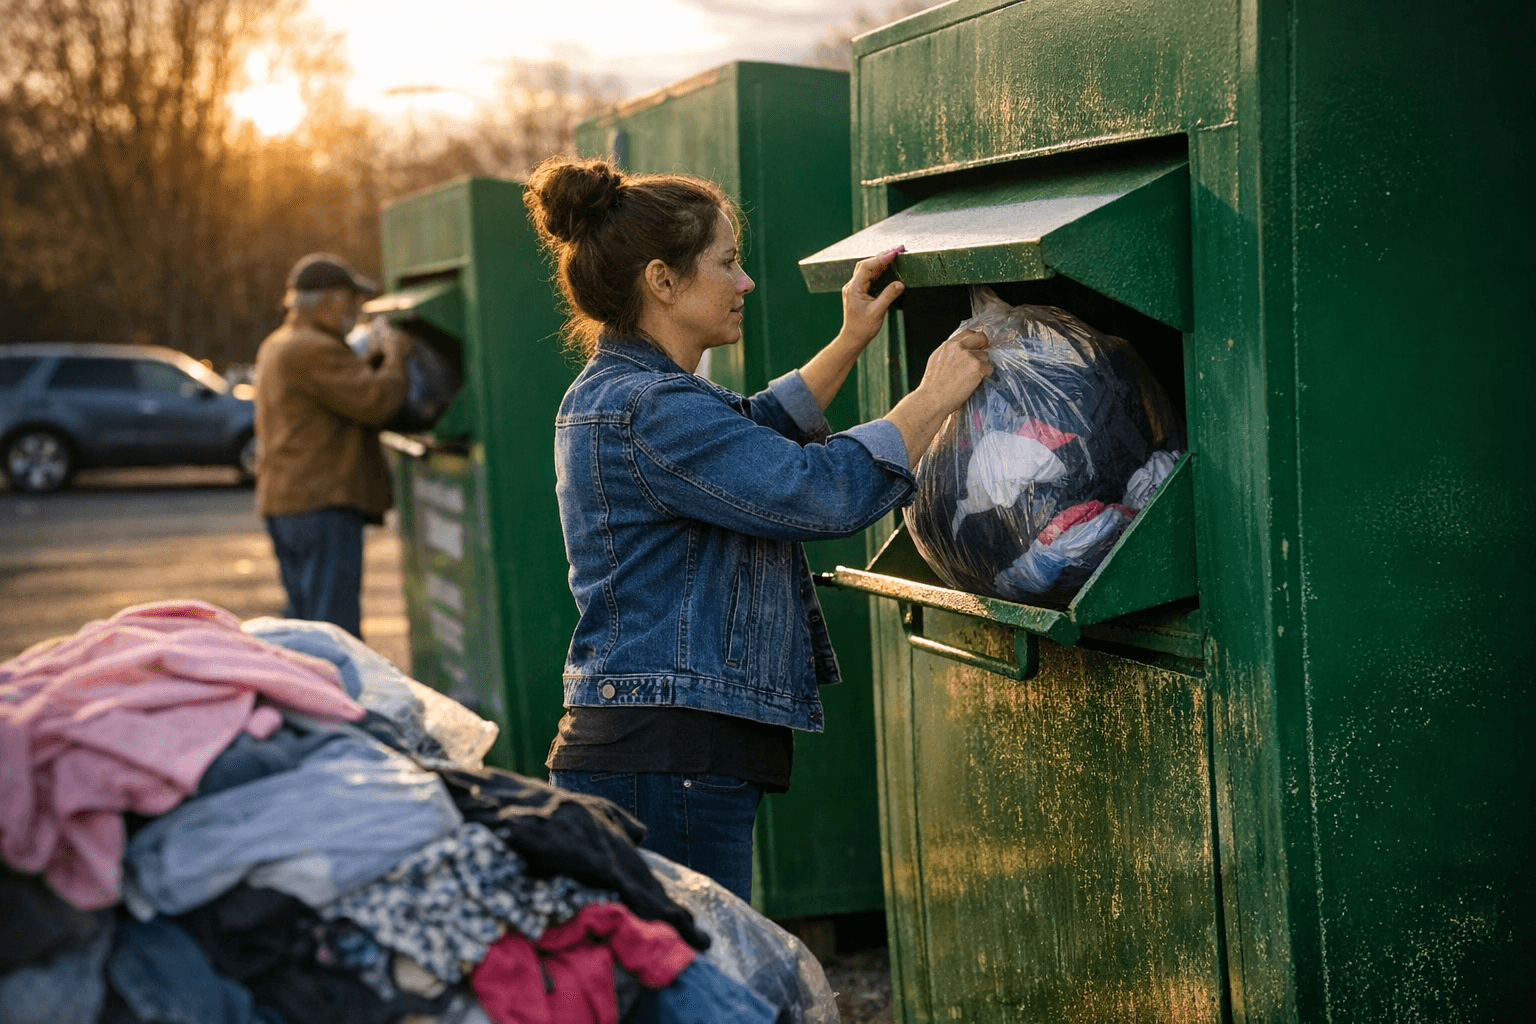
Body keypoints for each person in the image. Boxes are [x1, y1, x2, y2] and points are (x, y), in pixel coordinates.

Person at [528, 156, 991, 901]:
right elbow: (818, 492)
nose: (745, 282)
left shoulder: (629, 392)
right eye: (727, 261)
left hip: (653, 750)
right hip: (665, 758)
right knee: (700, 996)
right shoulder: (650, 407)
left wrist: (850, 339)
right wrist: (933, 397)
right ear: (663, 280)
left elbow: (755, 432)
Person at [254, 253, 412, 639]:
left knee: (306, 624)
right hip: (321, 506)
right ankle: (337, 700)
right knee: (333, 633)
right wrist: (394, 355)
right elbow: (374, 401)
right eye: (352, 301)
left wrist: (369, 355)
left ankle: (308, 697)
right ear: (329, 306)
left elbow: (342, 387)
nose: (358, 311)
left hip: (289, 504)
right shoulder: (313, 348)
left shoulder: (281, 342)